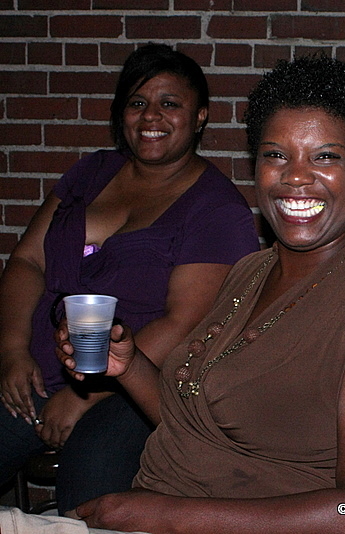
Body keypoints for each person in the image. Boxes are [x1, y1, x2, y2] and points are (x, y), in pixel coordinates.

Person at [50, 56, 345, 534]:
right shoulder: (252, 271)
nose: (295, 176)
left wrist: (160, 515)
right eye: (276, 155)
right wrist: (129, 366)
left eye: (324, 157)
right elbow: (197, 427)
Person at [0, 43, 260, 513]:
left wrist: (87, 396)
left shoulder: (218, 209)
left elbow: (184, 323)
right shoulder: (93, 171)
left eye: (169, 103)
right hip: (36, 373)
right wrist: (12, 350)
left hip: (137, 390)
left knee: (93, 480)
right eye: (138, 102)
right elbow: (27, 262)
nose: (150, 116)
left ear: (200, 116)